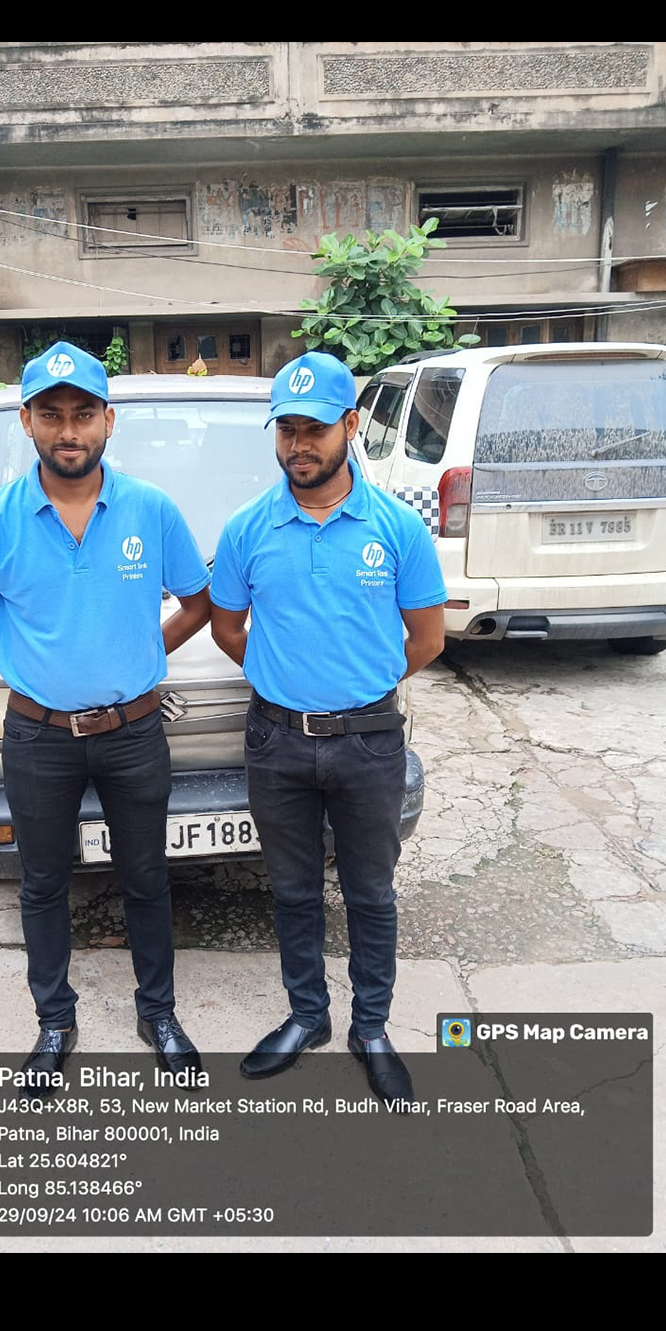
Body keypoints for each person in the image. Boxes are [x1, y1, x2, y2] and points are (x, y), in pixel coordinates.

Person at [0, 340, 211, 1083]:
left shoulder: (150, 511)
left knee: (146, 876)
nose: (69, 430)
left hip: (133, 733)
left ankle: (157, 1011)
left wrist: (141, 654)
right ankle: (54, 1023)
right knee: (41, 883)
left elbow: (197, 602)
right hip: (37, 737)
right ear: (25, 422)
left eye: (83, 414)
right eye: (52, 414)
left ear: (107, 421)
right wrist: (27, 666)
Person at [210, 350, 446, 1104]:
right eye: (286, 429)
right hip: (276, 741)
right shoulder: (249, 528)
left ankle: (369, 1026)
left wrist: (356, 684)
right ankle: (306, 1015)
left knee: (371, 892)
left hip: (370, 742)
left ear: (350, 425)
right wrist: (286, 677)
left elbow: (427, 639)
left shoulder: (397, 529)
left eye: (314, 428)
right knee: (292, 890)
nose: (298, 445)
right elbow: (226, 626)